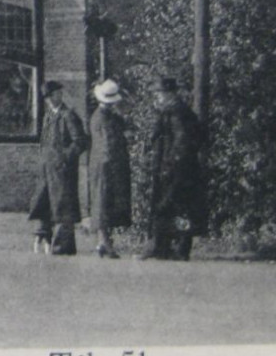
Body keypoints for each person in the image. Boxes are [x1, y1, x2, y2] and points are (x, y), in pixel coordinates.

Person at [145, 77, 208, 261]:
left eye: (158, 93)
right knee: (176, 208)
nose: (156, 97)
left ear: (169, 94)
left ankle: (172, 247)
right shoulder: (177, 111)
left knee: (174, 207)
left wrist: (170, 164)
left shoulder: (176, 113)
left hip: (176, 169)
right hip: (177, 168)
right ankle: (168, 246)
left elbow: (182, 142)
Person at [27, 81, 87, 255]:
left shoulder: (68, 116)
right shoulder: (48, 116)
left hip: (63, 171)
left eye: (51, 96)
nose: (48, 100)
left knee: (63, 207)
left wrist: (65, 159)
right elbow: (45, 141)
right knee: (44, 202)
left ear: (59, 94)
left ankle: (63, 247)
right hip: (47, 170)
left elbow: (80, 142)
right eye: (46, 98)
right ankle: (44, 235)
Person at [88, 79, 133, 259]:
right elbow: (108, 142)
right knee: (104, 203)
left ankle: (103, 242)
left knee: (106, 203)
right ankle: (105, 242)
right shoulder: (102, 118)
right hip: (107, 165)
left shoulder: (107, 116)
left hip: (103, 163)